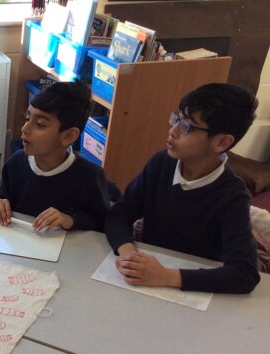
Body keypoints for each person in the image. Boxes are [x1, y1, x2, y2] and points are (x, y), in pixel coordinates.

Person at [105, 83, 261, 294]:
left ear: (221, 142)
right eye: (177, 119)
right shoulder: (162, 163)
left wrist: (166, 276)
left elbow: (245, 274)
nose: (173, 131)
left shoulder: (232, 196)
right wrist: (129, 254)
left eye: (187, 126)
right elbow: (119, 214)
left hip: (192, 287)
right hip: (148, 273)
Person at [0, 81, 110, 232]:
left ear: (69, 136)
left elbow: (102, 222)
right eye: (27, 118)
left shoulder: (89, 176)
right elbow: (4, 196)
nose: (25, 128)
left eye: (40, 124)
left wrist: (69, 219)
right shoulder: (15, 163)